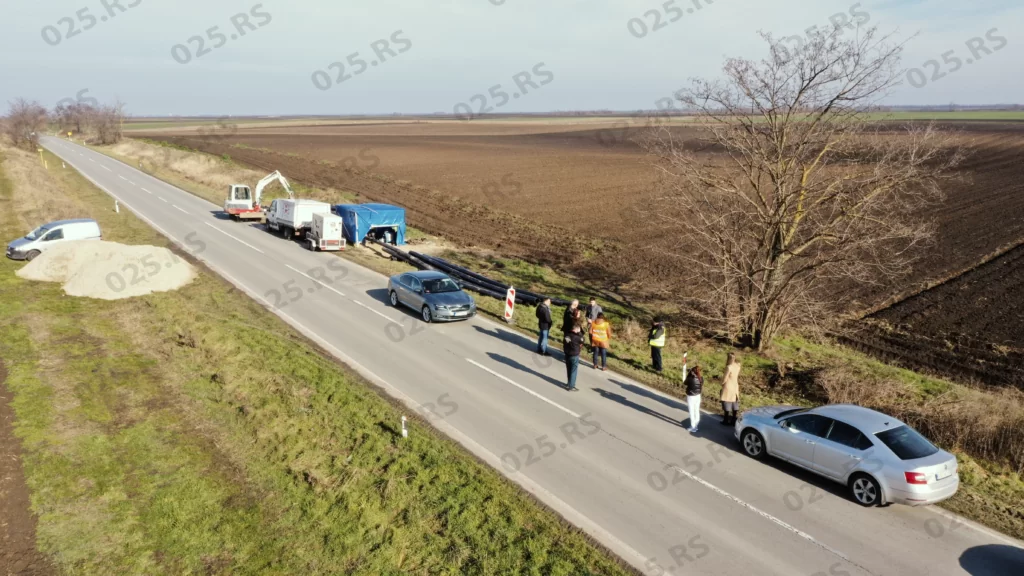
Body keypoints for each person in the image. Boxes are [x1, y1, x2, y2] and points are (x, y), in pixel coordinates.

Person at [720, 353, 742, 425]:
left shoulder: (728, 367)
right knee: (734, 403)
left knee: (727, 402)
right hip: (735, 386)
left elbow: (725, 378)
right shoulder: (738, 366)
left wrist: (722, 383)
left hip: (728, 386)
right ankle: (733, 420)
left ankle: (726, 420)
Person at [564, 323, 584, 391]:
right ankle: (571, 386)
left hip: (567, 354)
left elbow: (568, 342)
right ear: (577, 329)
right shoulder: (578, 338)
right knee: (574, 371)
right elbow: (583, 340)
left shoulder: (567, 335)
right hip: (574, 355)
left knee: (569, 370)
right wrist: (580, 334)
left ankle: (569, 383)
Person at [684, 364, 704, 433]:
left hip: (691, 397)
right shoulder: (701, 378)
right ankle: (696, 426)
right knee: (696, 411)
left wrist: (688, 374)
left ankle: (692, 426)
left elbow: (685, 382)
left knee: (691, 412)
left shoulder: (690, 379)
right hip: (698, 396)